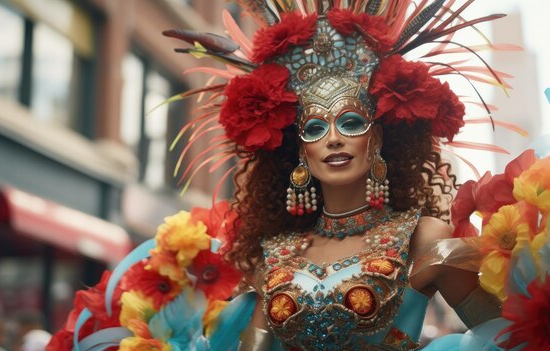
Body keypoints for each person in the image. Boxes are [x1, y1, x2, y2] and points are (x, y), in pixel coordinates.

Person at [48, 1, 549, 350]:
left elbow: (512, 338)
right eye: (314, 127)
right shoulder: (278, 251)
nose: (332, 138)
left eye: (350, 121)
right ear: (298, 151)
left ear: (377, 138)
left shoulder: (427, 239)